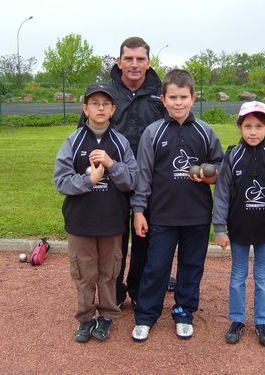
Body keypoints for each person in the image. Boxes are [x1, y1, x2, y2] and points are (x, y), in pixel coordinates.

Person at [78, 37, 175, 308]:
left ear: (148, 62)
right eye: (128, 59)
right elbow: (83, 134)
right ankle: (115, 293)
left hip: (151, 181)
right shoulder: (106, 94)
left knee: (147, 239)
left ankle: (141, 290)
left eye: (140, 59)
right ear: (118, 62)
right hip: (112, 180)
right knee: (115, 240)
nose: (134, 64)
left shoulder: (161, 94)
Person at [130, 69, 224, 342]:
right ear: (163, 99)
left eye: (184, 97)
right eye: (173, 97)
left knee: (191, 267)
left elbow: (219, 166)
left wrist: (211, 174)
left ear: (193, 98)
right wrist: (138, 211)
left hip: (196, 215)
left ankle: (183, 313)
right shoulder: (153, 132)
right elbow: (143, 175)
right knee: (156, 267)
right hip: (162, 215)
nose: (178, 103)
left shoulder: (205, 132)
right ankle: (146, 316)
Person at [54, 83, 138, 343]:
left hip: (112, 222)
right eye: (94, 103)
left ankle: (107, 316)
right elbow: (61, 181)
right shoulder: (74, 140)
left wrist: (112, 165)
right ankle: (86, 317)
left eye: (105, 104)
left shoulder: (119, 142)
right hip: (81, 223)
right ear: (85, 108)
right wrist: (89, 181)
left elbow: (132, 181)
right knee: (84, 273)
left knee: (109, 273)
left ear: (113, 110)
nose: (100, 108)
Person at [212, 101, 265, 346]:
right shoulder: (232, 156)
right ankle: (237, 319)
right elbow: (222, 194)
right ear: (240, 127)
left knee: (262, 276)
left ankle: (262, 321)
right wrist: (220, 228)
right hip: (238, 228)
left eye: (259, 126)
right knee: (238, 275)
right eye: (247, 125)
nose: (253, 131)